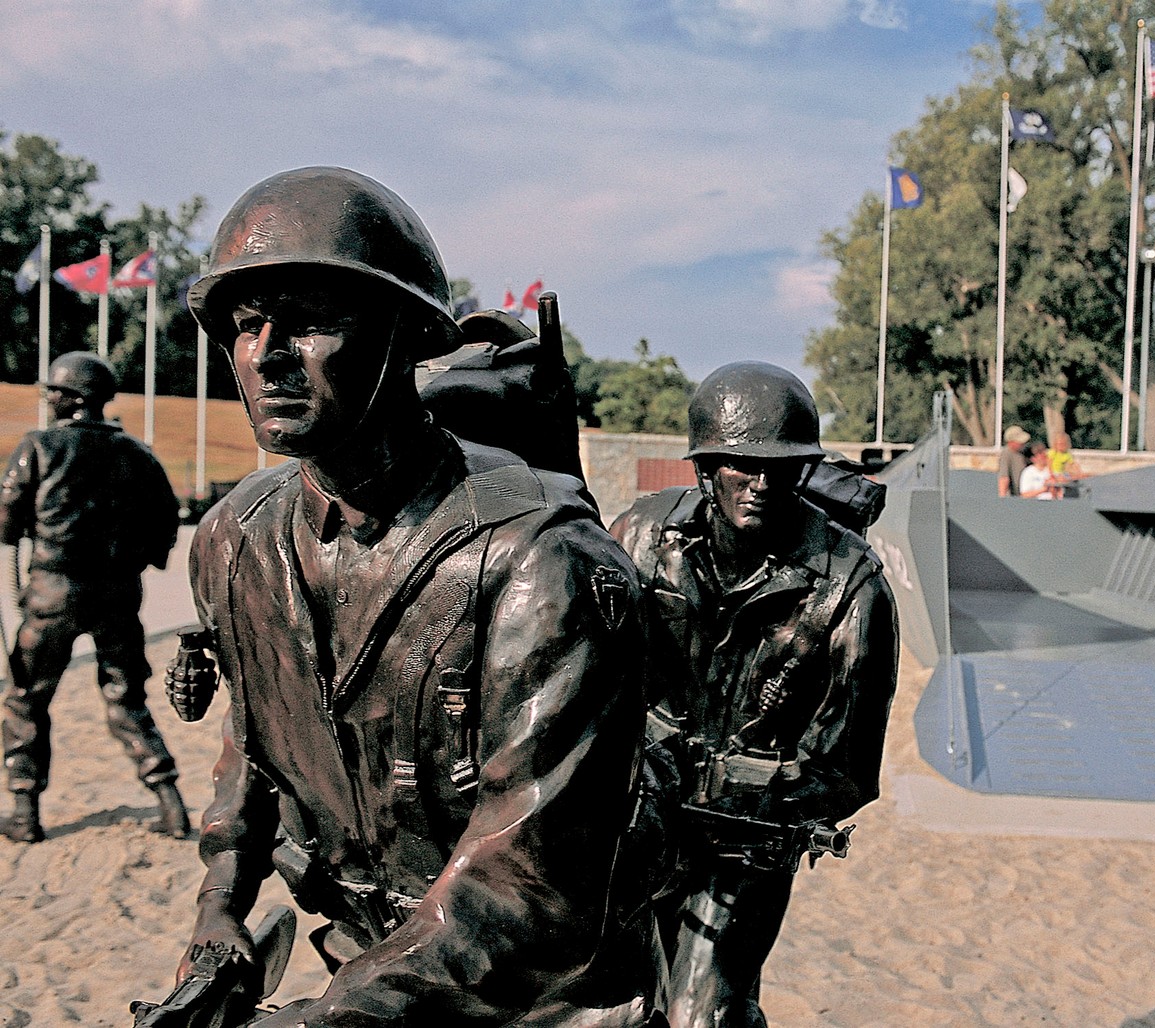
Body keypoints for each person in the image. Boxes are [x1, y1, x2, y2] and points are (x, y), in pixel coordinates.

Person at [175, 166, 660, 1025]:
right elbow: (251, 742)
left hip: (538, 998)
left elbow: (531, 885)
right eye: (247, 325)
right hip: (362, 962)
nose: (268, 354)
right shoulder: (234, 539)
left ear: (406, 336)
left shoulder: (540, 561)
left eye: (312, 319)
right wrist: (220, 908)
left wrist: (329, 1019)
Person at [609, 361, 899, 1028]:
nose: (763, 483)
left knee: (701, 1014)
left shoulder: (852, 587)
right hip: (633, 823)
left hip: (744, 842)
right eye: (742, 464)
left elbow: (846, 770)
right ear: (705, 466)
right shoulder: (639, 537)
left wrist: (721, 780)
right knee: (618, 1007)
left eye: (783, 466)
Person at [0, 351, 187, 844]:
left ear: (75, 397)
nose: (49, 400)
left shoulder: (38, 447)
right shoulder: (137, 452)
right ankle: (169, 801)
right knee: (127, 698)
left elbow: (6, 520)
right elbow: (166, 521)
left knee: (24, 699)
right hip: (118, 595)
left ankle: (24, 811)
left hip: (52, 593)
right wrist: (139, 559)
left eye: (55, 392)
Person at [998, 424, 1030, 497]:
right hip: (1016, 495)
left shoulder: (1025, 451)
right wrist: (1002, 498)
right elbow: (1004, 477)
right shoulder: (1006, 454)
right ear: (1010, 442)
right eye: (1019, 442)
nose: (1023, 443)